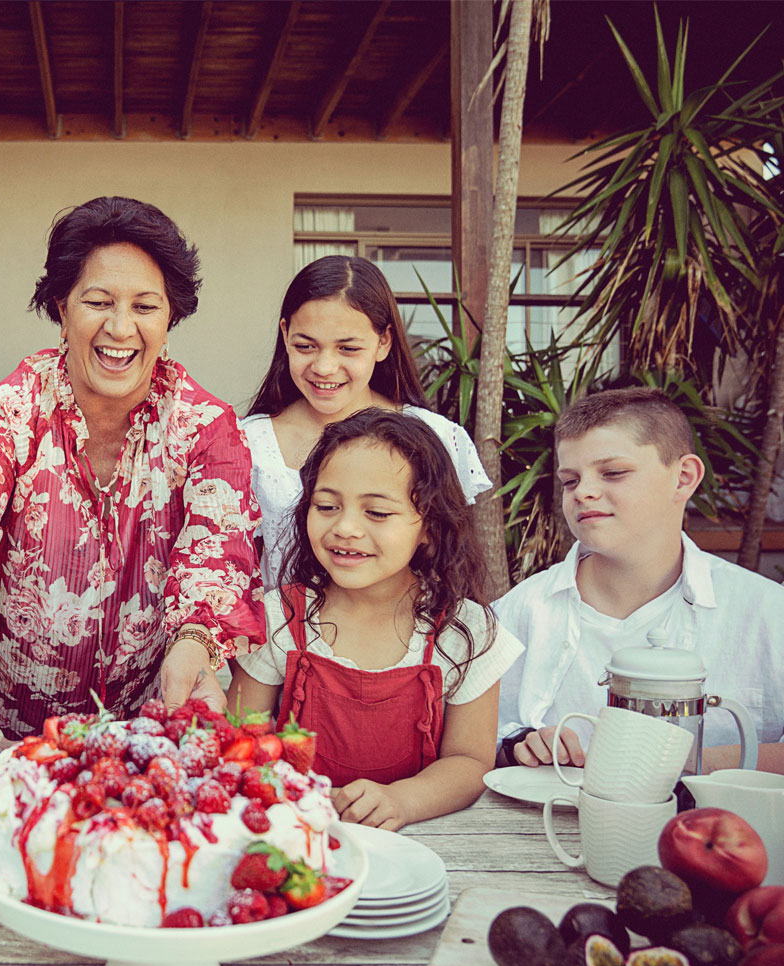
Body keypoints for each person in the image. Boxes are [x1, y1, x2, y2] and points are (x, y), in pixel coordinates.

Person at [0, 195, 266, 751]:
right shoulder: (10, 411)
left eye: (145, 306)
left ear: (170, 318)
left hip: (142, 740)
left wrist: (196, 642)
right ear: (62, 308)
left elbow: (220, 553)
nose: (120, 327)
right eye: (98, 301)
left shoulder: (207, 427)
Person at [230, 408, 523, 829]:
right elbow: (241, 744)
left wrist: (403, 801)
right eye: (327, 505)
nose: (346, 527)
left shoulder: (469, 631)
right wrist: (304, 797)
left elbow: (469, 761)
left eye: (378, 513)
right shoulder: (279, 617)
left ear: (430, 527)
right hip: (292, 834)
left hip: (427, 847)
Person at [496, 387, 784, 773]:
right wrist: (518, 745)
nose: (584, 492)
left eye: (613, 473)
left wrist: (677, 760)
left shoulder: (767, 612)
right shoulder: (516, 613)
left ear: (683, 478)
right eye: (569, 480)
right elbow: (472, 742)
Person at [241, 256, 491, 588]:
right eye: (306, 346)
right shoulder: (246, 443)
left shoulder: (435, 437)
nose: (325, 367)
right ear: (285, 335)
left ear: (383, 341)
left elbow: (451, 565)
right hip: (281, 635)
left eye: (348, 348)